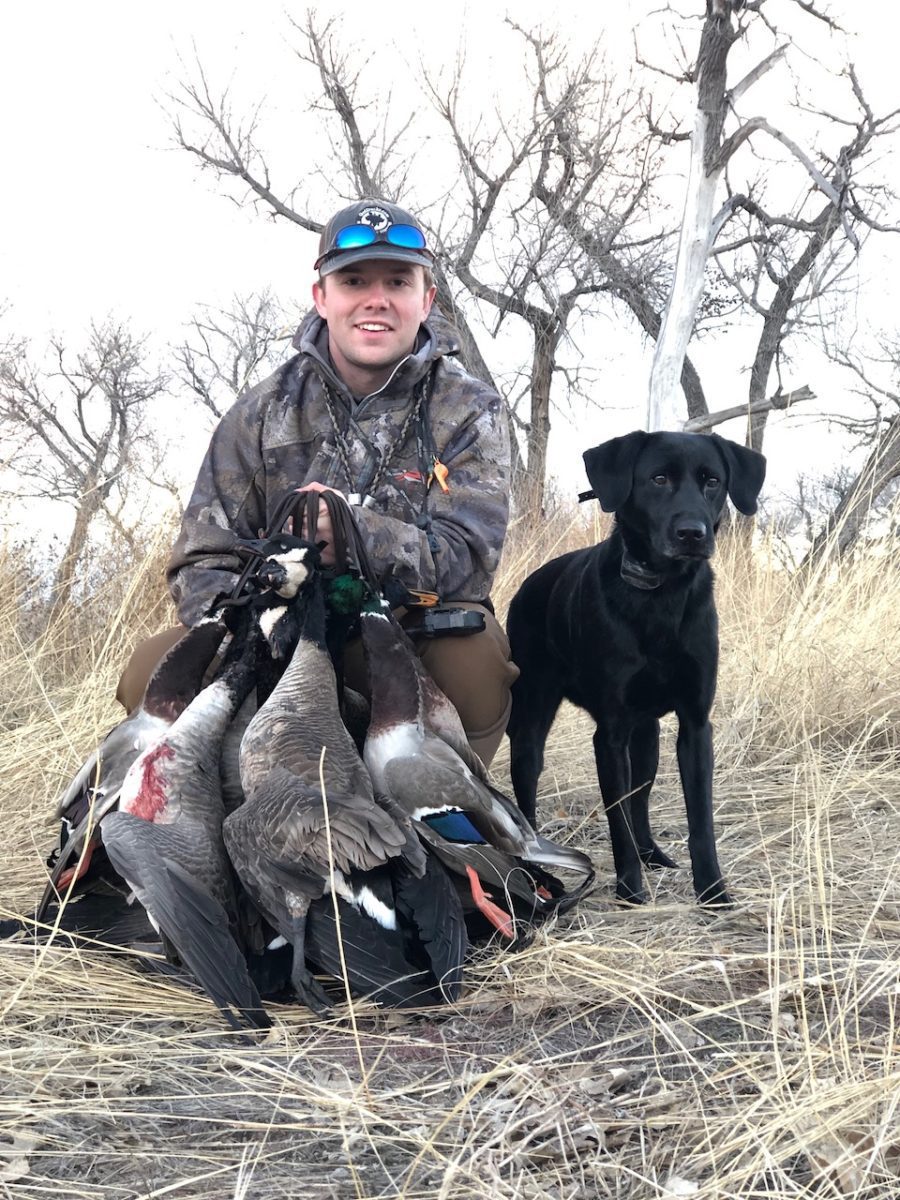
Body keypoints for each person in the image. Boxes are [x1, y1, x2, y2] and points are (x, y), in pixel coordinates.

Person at [117, 198, 518, 766]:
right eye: (354, 280)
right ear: (322, 296)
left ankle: (442, 826)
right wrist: (256, 628)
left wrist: (356, 534)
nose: (376, 300)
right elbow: (201, 558)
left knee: (474, 662)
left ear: (425, 299)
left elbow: (471, 561)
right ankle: (210, 820)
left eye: (398, 282)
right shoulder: (261, 412)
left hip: (399, 629)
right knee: (149, 672)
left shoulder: (470, 409)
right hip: (273, 628)